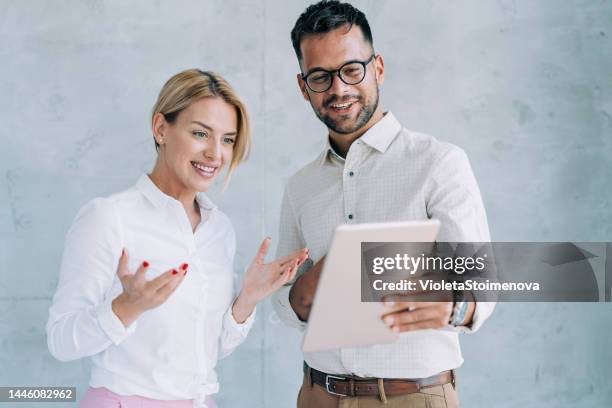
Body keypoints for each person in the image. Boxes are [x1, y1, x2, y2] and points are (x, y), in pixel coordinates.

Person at [271, 1, 495, 407]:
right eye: (320, 77)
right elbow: (283, 300)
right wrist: (299, 295)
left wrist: (453, 306)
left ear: (378, 68)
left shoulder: (439, 162)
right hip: (317, 394)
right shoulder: (300, 186)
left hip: (413, 395)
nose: (338, 89)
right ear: (304, 88)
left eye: (351, 70)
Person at [46, 69, 308, 408]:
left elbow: (210, 351)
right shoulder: (109, 218)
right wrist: (126, 308)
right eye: (201, 133)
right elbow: (61, 341)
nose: (216, 154)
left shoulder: (219, 230)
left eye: (227, 139)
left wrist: (246, 300)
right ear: (160, 129)